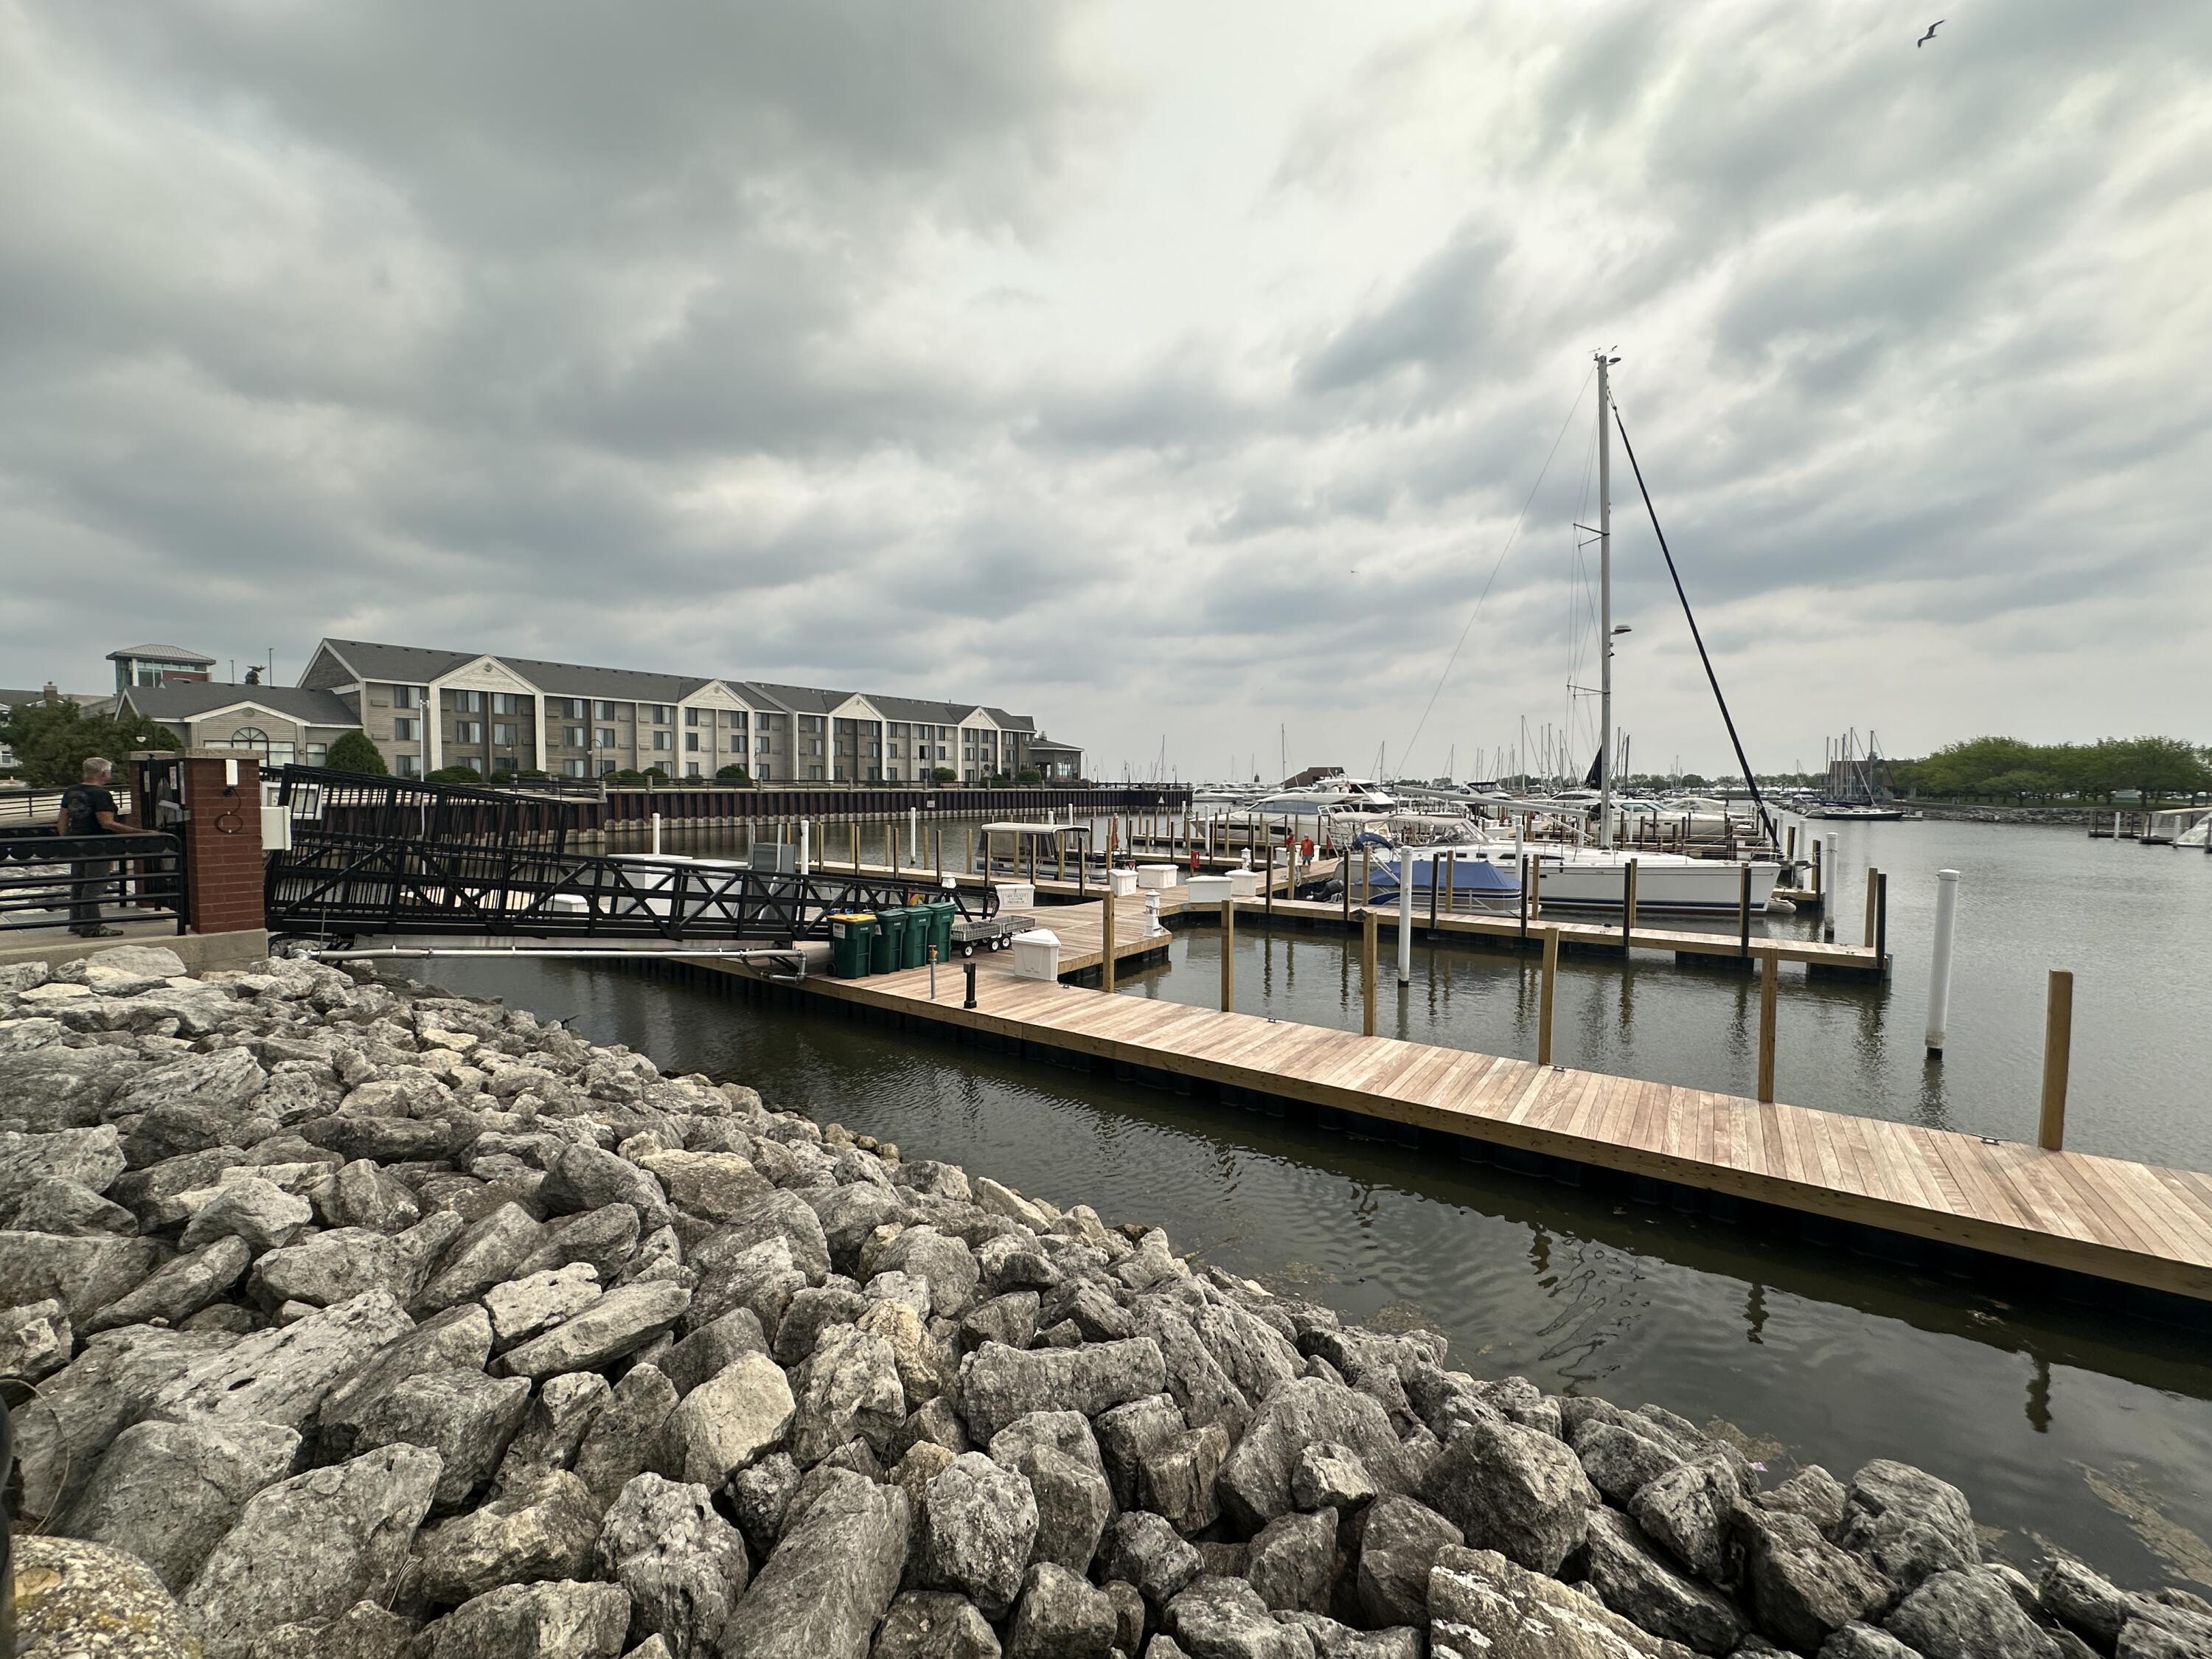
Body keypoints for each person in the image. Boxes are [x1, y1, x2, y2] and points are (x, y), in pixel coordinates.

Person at [55, 756, 126, 937]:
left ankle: (77, 923)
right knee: (94, 886)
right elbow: (107, 823)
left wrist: (66, 839)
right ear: (104, 773)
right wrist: (140, 832)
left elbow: (63, 818)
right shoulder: (101, 794)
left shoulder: (71, 791)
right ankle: (92, 927)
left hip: (76, 842)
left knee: (78, 882)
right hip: (97, 844)